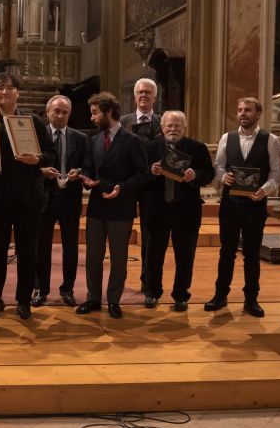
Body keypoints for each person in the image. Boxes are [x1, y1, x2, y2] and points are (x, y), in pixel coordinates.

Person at [0, 71, 55, 320]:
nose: (4, 92)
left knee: (27, 251)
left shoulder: (33, 122)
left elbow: (51, 154)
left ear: (17, 92)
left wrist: (37, 159)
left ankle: (23, 301)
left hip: (29, 197)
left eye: (9, 88)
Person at [205, 97, 280, 318]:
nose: (242, 113)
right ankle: (220, 296)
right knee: (226, 252)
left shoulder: (271, 140)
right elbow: (218, 166)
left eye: (248, 110)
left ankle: (251, 299)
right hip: (230, 205)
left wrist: (264, 191)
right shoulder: (226, 138)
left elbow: (277, 174)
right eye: (240, 110)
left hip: (255, 206)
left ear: (258, 113)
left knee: (251, 253)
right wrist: (223, 177)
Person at [76, 92, 148, 318]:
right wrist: (85, 178)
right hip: (97, 206)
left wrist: (122, 188)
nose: (92, 118)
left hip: (121, 207)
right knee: (93, 257)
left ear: (109, 112)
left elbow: (144, 174)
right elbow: (88, 167)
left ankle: (114, 301)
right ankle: (93, 299)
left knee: (118, 258)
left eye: (95, 113)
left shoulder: (133, 141)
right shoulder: (94, 140)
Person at [143, 110, 214, 312]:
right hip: (157, 211)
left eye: (177, 126)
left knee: (185, 257)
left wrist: (196, 175)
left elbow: (209, 174)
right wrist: (151, 171)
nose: (173, 129)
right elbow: (139, 175)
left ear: (184, 128)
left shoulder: (197, 148)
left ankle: (181, 296)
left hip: (186, 211)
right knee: (153, 256)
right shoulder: (150, 147)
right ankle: (152, 293)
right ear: (162, 127)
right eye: (169, 126)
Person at [31, 95, 87, 308]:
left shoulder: (80, 138)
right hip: (43, 198)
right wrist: (41, 171)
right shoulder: (38, 135)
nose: (60, 115)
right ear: (48, 112)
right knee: (41, 246)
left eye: (64, 112)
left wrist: (79, 172)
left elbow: (87, 164)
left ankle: (68, 289)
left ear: (69, 114)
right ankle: (40, 289)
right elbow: (28, 165)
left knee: (70, 247)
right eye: (57, 111)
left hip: (70, 198)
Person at [119, 78, 162, 294]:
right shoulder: (123, 121)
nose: (143, 95)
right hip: (128, 185)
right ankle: (118, 281)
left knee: (150, 237)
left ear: (154, 97)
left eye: (148, 92)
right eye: (140, 92)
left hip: (153, 187)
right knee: (121, 234)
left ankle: (148, 282)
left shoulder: (163, 122)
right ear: (134, 96)